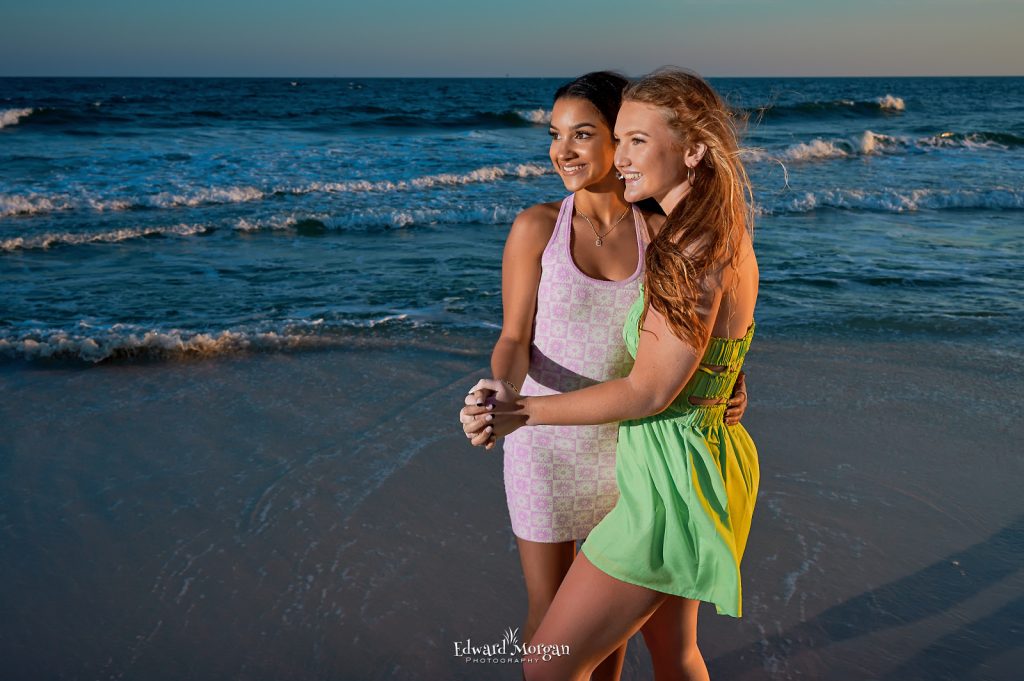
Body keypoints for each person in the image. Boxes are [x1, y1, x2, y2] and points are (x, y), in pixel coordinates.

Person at [462, 67, 759, 681]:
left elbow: (661, 374)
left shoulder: (674, 236)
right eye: (554, 133)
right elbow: (515, 336)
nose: (565, 150)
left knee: (613, 648)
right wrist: (507, 394)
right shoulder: (544, 226)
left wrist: (725, 380)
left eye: (595, 134)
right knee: (560, 628)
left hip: (637, 448)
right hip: (564, 444)